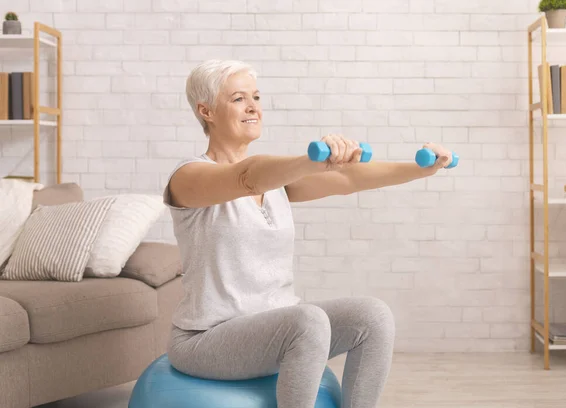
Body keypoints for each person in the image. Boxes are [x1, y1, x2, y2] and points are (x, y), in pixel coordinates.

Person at [163, 59, 453, 408]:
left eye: (256, 96)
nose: (254, 106)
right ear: (206, 110)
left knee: (373, 316)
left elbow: (350, 178)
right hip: (206, 340)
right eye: (239, 98)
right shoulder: (189, 177)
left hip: (276, 331)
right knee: (307, 319)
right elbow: (246, 177)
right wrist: (312, 160)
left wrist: (422, 169)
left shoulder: (276, 184)